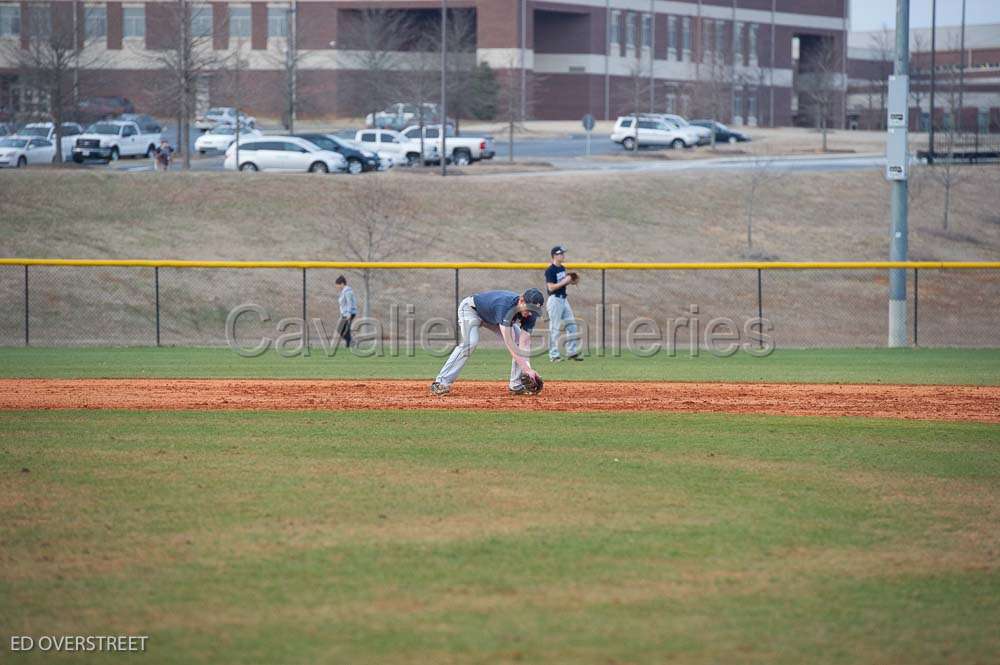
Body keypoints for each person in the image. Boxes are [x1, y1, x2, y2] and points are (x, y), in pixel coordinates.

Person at [431, 288, 545, 396]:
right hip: (471, 310)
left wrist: (529, 372)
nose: (530, 314)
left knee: (518, 339)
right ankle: (441, 382)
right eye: (528, 309)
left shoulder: (530, 314)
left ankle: (516, 385)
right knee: (471, 342)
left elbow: (524, 342)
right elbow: (510, 345)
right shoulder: (505, 307)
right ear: (521, 300)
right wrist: (527, 369)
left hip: (492, 318)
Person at [545, 245, 582, 362]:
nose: (563, 255)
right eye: (560, 254)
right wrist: (565, 281)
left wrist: (572, 281)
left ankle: (572, 352)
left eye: (563, 253)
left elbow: (563, 283)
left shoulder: (562, 268)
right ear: (555, 256)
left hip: (563, 300)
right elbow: (550, 288)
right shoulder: (550, 270)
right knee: (554, 328)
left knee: (572, 326)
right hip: (554, 300)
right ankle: (554, 355)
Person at [335, 275, 357, 349]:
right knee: (344, 330)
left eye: (338, 285)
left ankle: (351, 342)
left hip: (349, 313)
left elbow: (349, 303)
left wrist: (348, 313)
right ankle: (349, 344)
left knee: (340, 329)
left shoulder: (347, 291)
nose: (337, 287)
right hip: (345, 313)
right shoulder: (344, 291)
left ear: (342, 284)